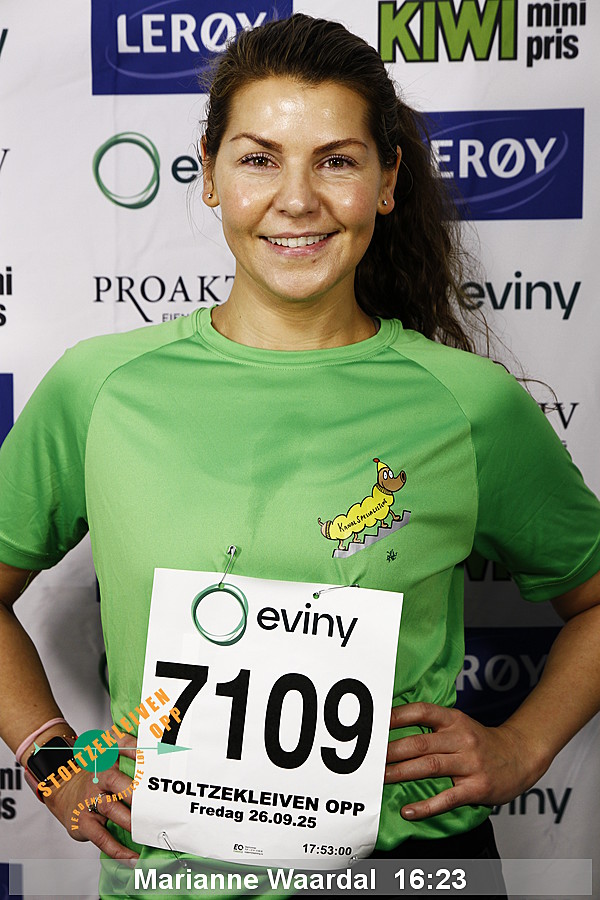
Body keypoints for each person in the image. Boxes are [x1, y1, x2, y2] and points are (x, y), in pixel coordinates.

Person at [1, 12, 599, 897]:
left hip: (410, 872)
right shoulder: (100, 388)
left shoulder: (468, 403)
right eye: (259, 159)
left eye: (336, 160)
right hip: (177, 880)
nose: (297, 199)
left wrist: (523, 745)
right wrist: (53, 760)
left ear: (386, 181)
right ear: (209, 173)